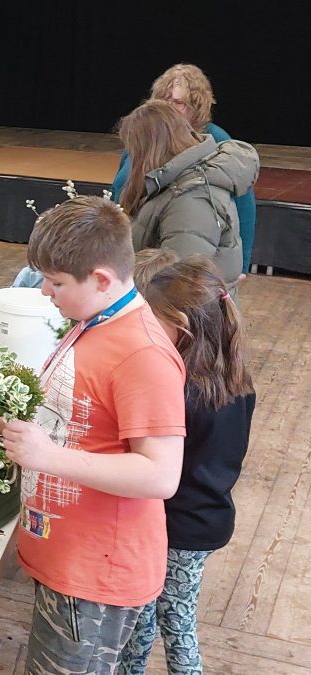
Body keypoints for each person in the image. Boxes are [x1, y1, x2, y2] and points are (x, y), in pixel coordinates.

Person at [0, 197, 187, 675]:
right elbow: (69, 419)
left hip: (95, 577)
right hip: (66, 559)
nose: (45, 292)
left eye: (57, 282)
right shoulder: (94, 321)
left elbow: (161, 474)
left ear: (103, 279)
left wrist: (48, 457)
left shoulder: (142, 355)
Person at [119, 255, 256, 675]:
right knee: (146, 615)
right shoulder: (236, 382)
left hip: (181, 527)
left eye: (150, 321)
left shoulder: (181, 393)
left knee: (175, 624)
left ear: (180, 322)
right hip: (204, 518)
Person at [112, 64, 258, 273]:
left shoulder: (214, 142)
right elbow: (120, 186)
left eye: (178, 102)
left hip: (169, 268)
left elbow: (243, 205)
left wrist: (242, 266)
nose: (169, 107)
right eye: (164, 100)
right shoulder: (146, 140)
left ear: (196, 106)